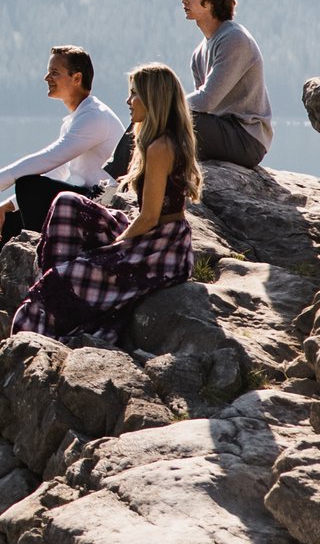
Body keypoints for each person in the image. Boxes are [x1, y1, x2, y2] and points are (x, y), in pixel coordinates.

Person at [10, 63, 200, 342]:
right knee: (67, 203)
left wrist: (112, 249)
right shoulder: (155, 140)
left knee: (65, 278)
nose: (127, 101)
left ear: (153, 98)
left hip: (161, 246)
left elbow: (148, 218)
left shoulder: (161, 147)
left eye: (134, 94)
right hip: (154, 235)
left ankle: (58, 295)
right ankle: (62, 278)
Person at [0, 47, 121, 254]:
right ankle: (1, 278)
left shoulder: (94, 117)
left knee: (28, 185)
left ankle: (43, 257)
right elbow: (58, 171)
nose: (47, 77)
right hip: (86, 200)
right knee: (9, 219)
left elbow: (50, 157)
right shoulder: (76, 119)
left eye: (55, 72)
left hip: (104, 205)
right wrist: (8, 205)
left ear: (77, 78)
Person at [176, 0, 273, 168]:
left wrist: (164, 105)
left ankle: (110, 183)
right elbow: (201, 108)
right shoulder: (198, 53)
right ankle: (113, 181)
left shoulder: (234, 39)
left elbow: (206, 101)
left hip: (246, 138)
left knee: (163, 115)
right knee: (150, 119)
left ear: (210, 0)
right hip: (221, 131)